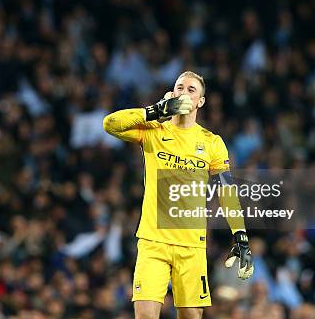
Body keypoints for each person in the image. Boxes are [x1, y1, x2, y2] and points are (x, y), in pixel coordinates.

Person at [103, 71, 254, 319]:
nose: (184, 93)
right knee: (145, 316)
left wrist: (241, 236)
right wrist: (154, 111)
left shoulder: (212, 142)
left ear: (201, 102)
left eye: (191, 89)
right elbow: (110, 124)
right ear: (172, 94)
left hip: (192, 245)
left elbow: (226, 191)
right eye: (179, 88)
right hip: (153, 241)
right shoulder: (153, 130)